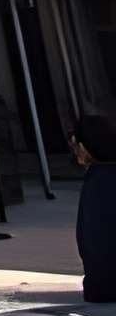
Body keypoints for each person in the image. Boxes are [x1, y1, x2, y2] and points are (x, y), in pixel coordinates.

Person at [72, 113, 116, 298]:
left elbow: (92, 239)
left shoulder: (99, 178)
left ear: (83, 147)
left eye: (75, 146)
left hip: (103, 287)